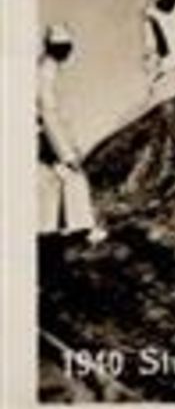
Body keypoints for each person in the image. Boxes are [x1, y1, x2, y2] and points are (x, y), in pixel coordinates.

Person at [39, 25, 105, 246]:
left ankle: (64, 226)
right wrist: (66, 152)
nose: (66, 51)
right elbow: (48, 114)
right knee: (74, 177)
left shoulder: (47, 70)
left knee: (61, 180)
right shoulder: (46, 73)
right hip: (46, 137)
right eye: (63, 47)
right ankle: (81, 228)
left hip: (46, 137)